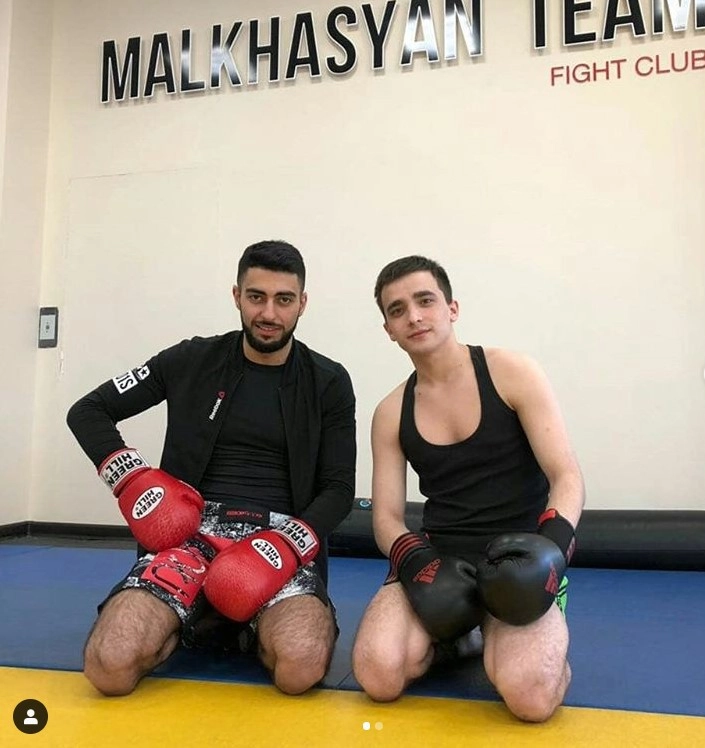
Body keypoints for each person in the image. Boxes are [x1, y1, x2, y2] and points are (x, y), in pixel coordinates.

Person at [67, 240, 356, 697]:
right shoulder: (190, 360)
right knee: (110, 666)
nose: (269, 313)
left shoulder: (328, 381)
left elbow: (339, 489)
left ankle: (237, 624)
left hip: (277, 540)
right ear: (237, 296)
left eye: (283, 299)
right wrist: (133, 479)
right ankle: (193, 619)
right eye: (256, 296)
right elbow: (88, 411)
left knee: (299, 667)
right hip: (189, 537)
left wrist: (288, 543)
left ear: (302, 303)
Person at [351, 255, 584, 722]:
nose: (414, 316)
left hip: (519, 559)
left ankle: (525, 631)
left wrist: (549, 555)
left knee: (531, 697)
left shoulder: (512, 372)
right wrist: (417, 562)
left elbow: (567, 476)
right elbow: (386, 519)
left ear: (452, 308)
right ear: (388, 330)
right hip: (442, 559)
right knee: (378, 674)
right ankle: (460, 635)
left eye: (425, 301)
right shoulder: (391, 412)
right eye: (397, 310)